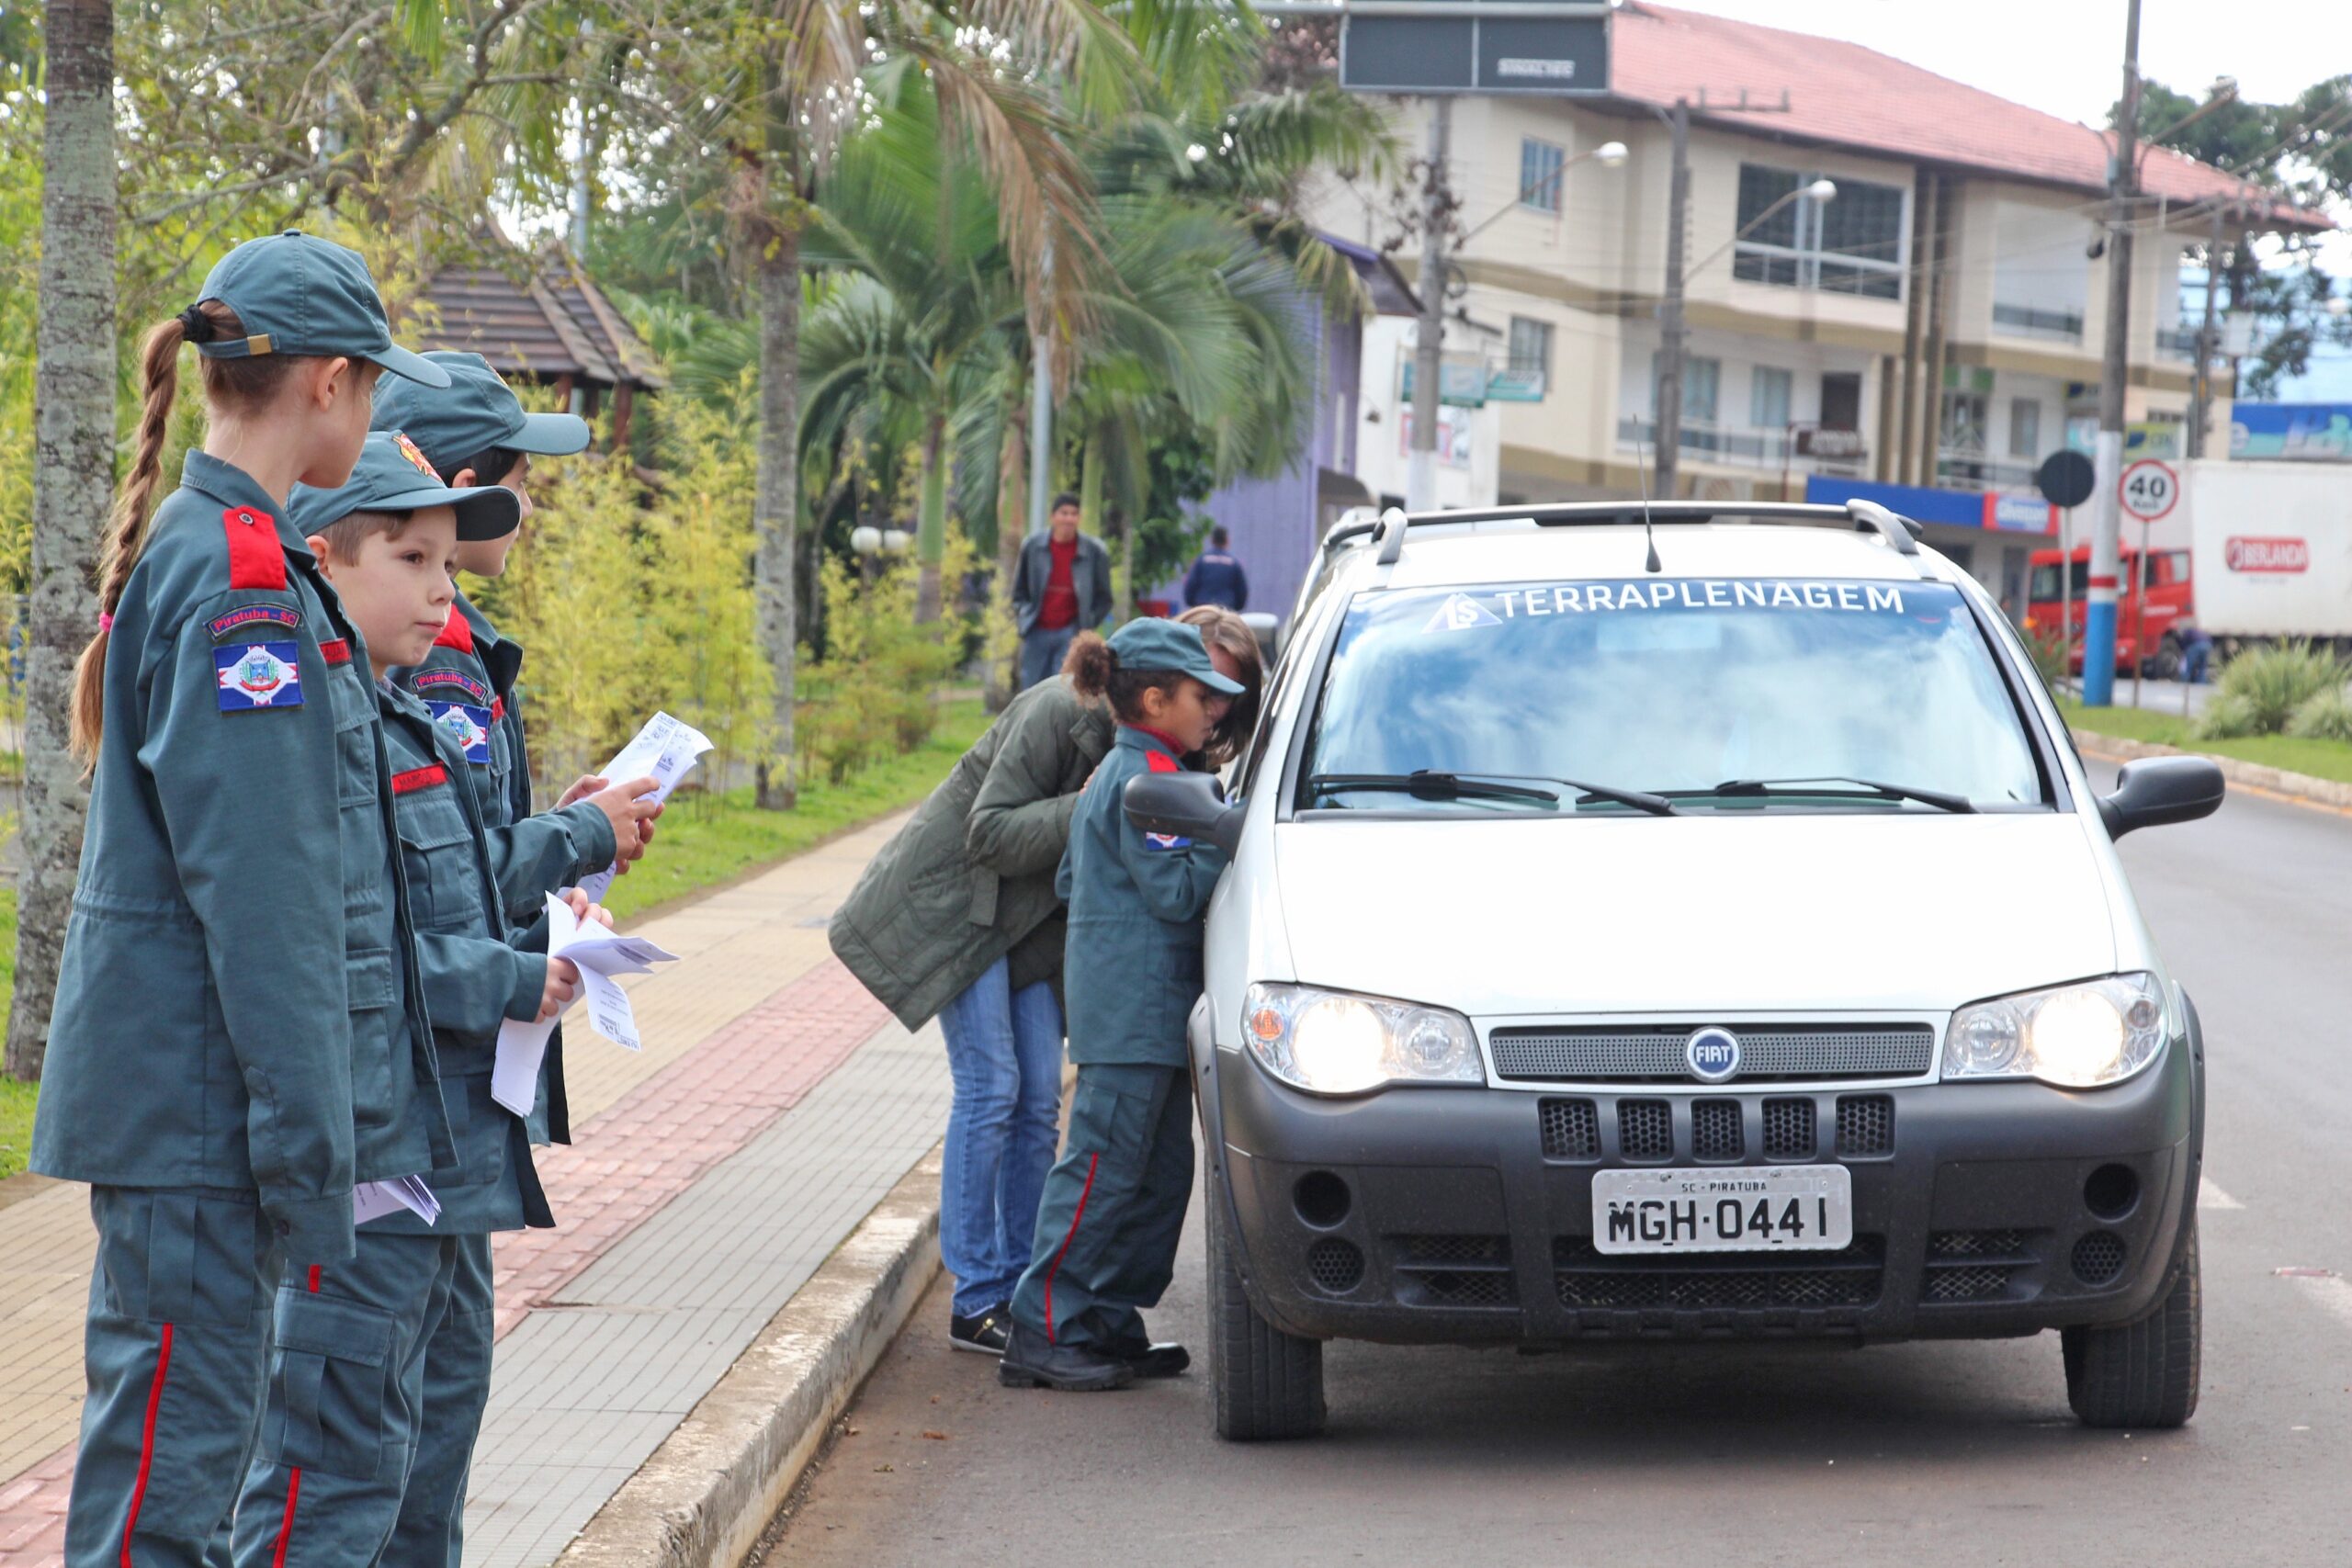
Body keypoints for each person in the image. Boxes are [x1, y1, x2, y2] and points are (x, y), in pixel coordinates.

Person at [28, 231, 459, 1567]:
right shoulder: (245, 582)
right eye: (374, 385)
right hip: (205, 1120)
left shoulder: (229, 552)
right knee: (162, 1506)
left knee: (176, 1485)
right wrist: (312, 1149)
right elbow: (266, 900)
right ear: (327, 384)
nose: (377, 413)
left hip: (198, 1113)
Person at [229, 435, 621, 1565]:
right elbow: (341, 949)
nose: (443, 591)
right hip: (369, 1151)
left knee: (413, 1465)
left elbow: (434, 893)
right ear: (325, 559)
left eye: (446, 559)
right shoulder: (316, 728)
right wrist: (511, 969)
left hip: (435, 1141)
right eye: (414, 556)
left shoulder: (390, 712)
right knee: (328, 1476)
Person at [368, 356, 662, 1566]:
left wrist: (569, 829)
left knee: (440, 1398)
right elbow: (437, 877)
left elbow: (470, 848)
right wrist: (579, 834)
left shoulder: (457, 648)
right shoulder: (423, 662)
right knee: (392, 1423)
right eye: (519, 479)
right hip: (421, 1089)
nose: (526, 505)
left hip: (463, 1076)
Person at [998, 619, 1243, 1393]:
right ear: (1153, 698)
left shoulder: (1146, 770)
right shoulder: (1146, 780)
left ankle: (1103, 1317)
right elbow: (1174, 891)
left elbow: (1076, 880)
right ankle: (1043, 1325)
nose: (1215, 710)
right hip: (1132, 1015)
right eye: (1202, 696)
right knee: (1102, 1170)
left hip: (1150, 1011)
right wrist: (1230, 838)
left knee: (1158, 1177)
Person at [1011, 493, 1112, 692]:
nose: (1069, 519)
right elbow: (1018, 591)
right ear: (1053, 516)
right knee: (1030, 692)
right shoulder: (1032, 546)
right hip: (1036, 630)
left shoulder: (1094, 551)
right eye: (1064, 513)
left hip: (1071, 633)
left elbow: (1104, 598)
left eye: (1074, 514)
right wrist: (1025, 615)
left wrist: (1087, 623)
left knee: (1064, 692)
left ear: (1079, 518)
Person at [1181, 526, 1250, 613]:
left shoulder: (1201, 561)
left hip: (1203, 610)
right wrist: (1236, 607)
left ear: (1212, 540)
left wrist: (1192, 604)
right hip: (1226, 610)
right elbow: (1242, 591)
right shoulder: (1234, 563)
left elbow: (1190, 585)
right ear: (1227, 540)